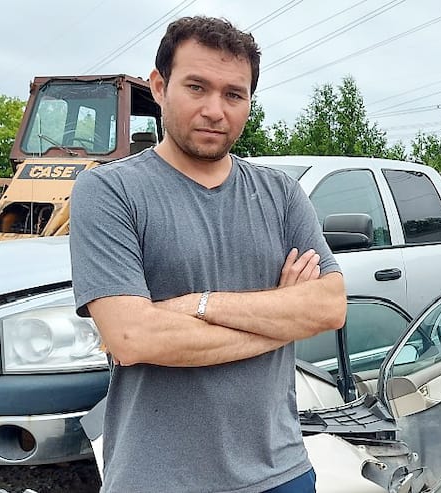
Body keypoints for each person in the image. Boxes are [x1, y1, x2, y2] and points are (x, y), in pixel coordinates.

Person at [69, 16, 346, 493]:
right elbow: (133, 337)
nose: (215, 110)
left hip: (281, 470)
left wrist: (198, 305)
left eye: (234, 94)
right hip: (158, 479)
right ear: (160, 86)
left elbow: (329, 307)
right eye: (196, 87)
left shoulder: (281, 194)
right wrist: (282, 321)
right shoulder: (109, 191)